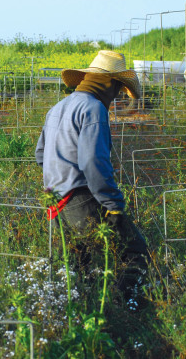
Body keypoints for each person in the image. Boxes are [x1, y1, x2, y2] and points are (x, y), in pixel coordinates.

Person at [35, 50, 149, 305]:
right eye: (118, 88)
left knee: (76, 263)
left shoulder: (58, 107)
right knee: (134, 251)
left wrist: (59, 177)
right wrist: (113, 205)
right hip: (81, 198)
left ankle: (76, 310)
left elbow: (40, 155)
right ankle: (123, 308)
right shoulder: (94, 109)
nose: (117, 95)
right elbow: (92, 163)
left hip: (55, 201)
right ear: (110, 84)